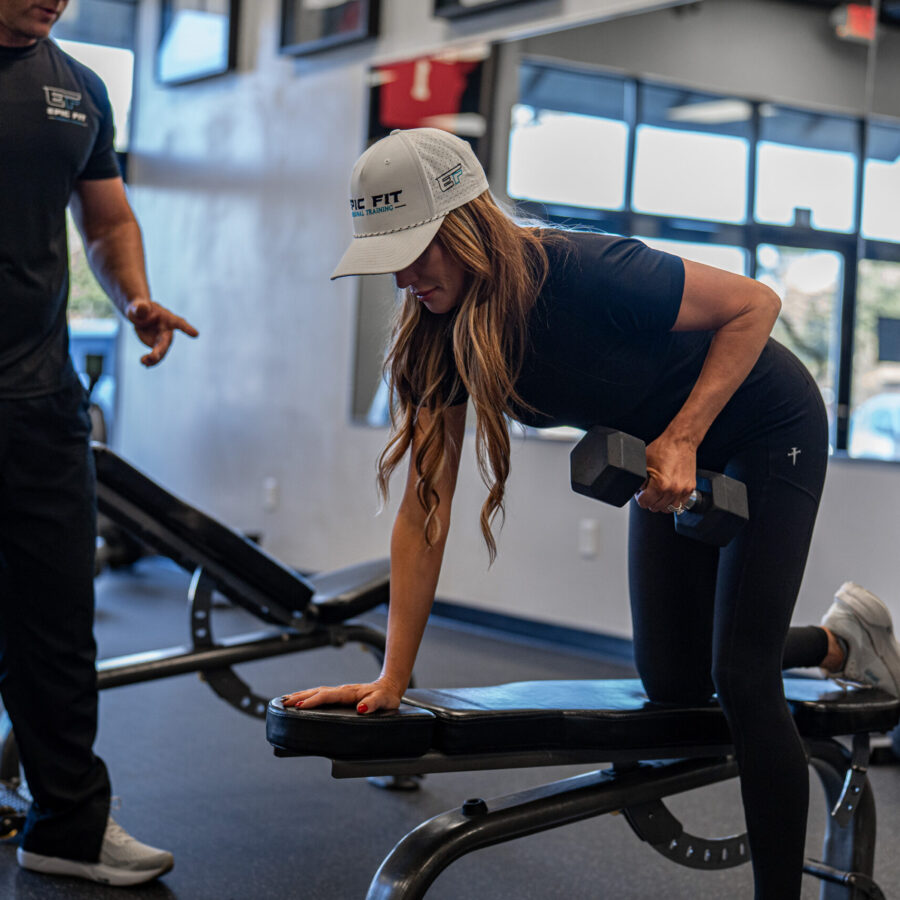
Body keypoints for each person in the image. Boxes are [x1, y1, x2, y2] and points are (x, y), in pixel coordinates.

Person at [282, 127, 900, 899]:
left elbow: (755, 304)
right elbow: (427, 506)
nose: (404, 275)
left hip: (766, 426)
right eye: (389, 255)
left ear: (464, 223)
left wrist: (682, 437)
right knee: (674, 680)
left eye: (416, 248)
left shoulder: (580, 272)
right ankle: (842, 644)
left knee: (741, 678)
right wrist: (394, 676)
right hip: (669, 451)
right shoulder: (439, 335)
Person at [0, 0, 198, 886]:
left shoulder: (77, 88)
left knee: (56, 622)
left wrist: (133, 297)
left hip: (38, 398)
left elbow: (109, 220)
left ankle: (68, 827)